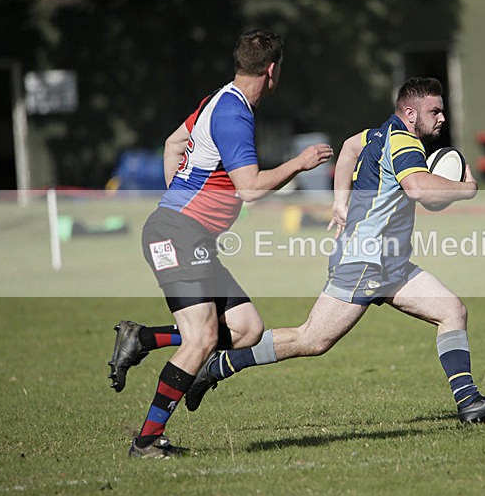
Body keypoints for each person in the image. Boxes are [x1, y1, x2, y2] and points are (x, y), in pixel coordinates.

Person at [183, 77, 485, 423]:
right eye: (434, 111)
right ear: (409, 113)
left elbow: (347, 148)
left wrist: (340, 202)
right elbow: (419, 188)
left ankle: (469, 404)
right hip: (364, 262)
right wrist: (467, 189)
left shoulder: (377, 133)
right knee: (311, 339)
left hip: (388, 261)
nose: (441, 118)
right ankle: (218, 365)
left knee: (452, 311)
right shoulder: (405, 142)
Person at [107, 28, 333, 458]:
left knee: (247, 328)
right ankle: (147, 440)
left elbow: (174, 145)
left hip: (188, 234)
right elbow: (249, 189)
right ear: (272, 70)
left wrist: (177, 199)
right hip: (178, 234)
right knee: (203, 337)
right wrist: (300, 164)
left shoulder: (219, 98)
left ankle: (143, 339)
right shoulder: (234, 114)